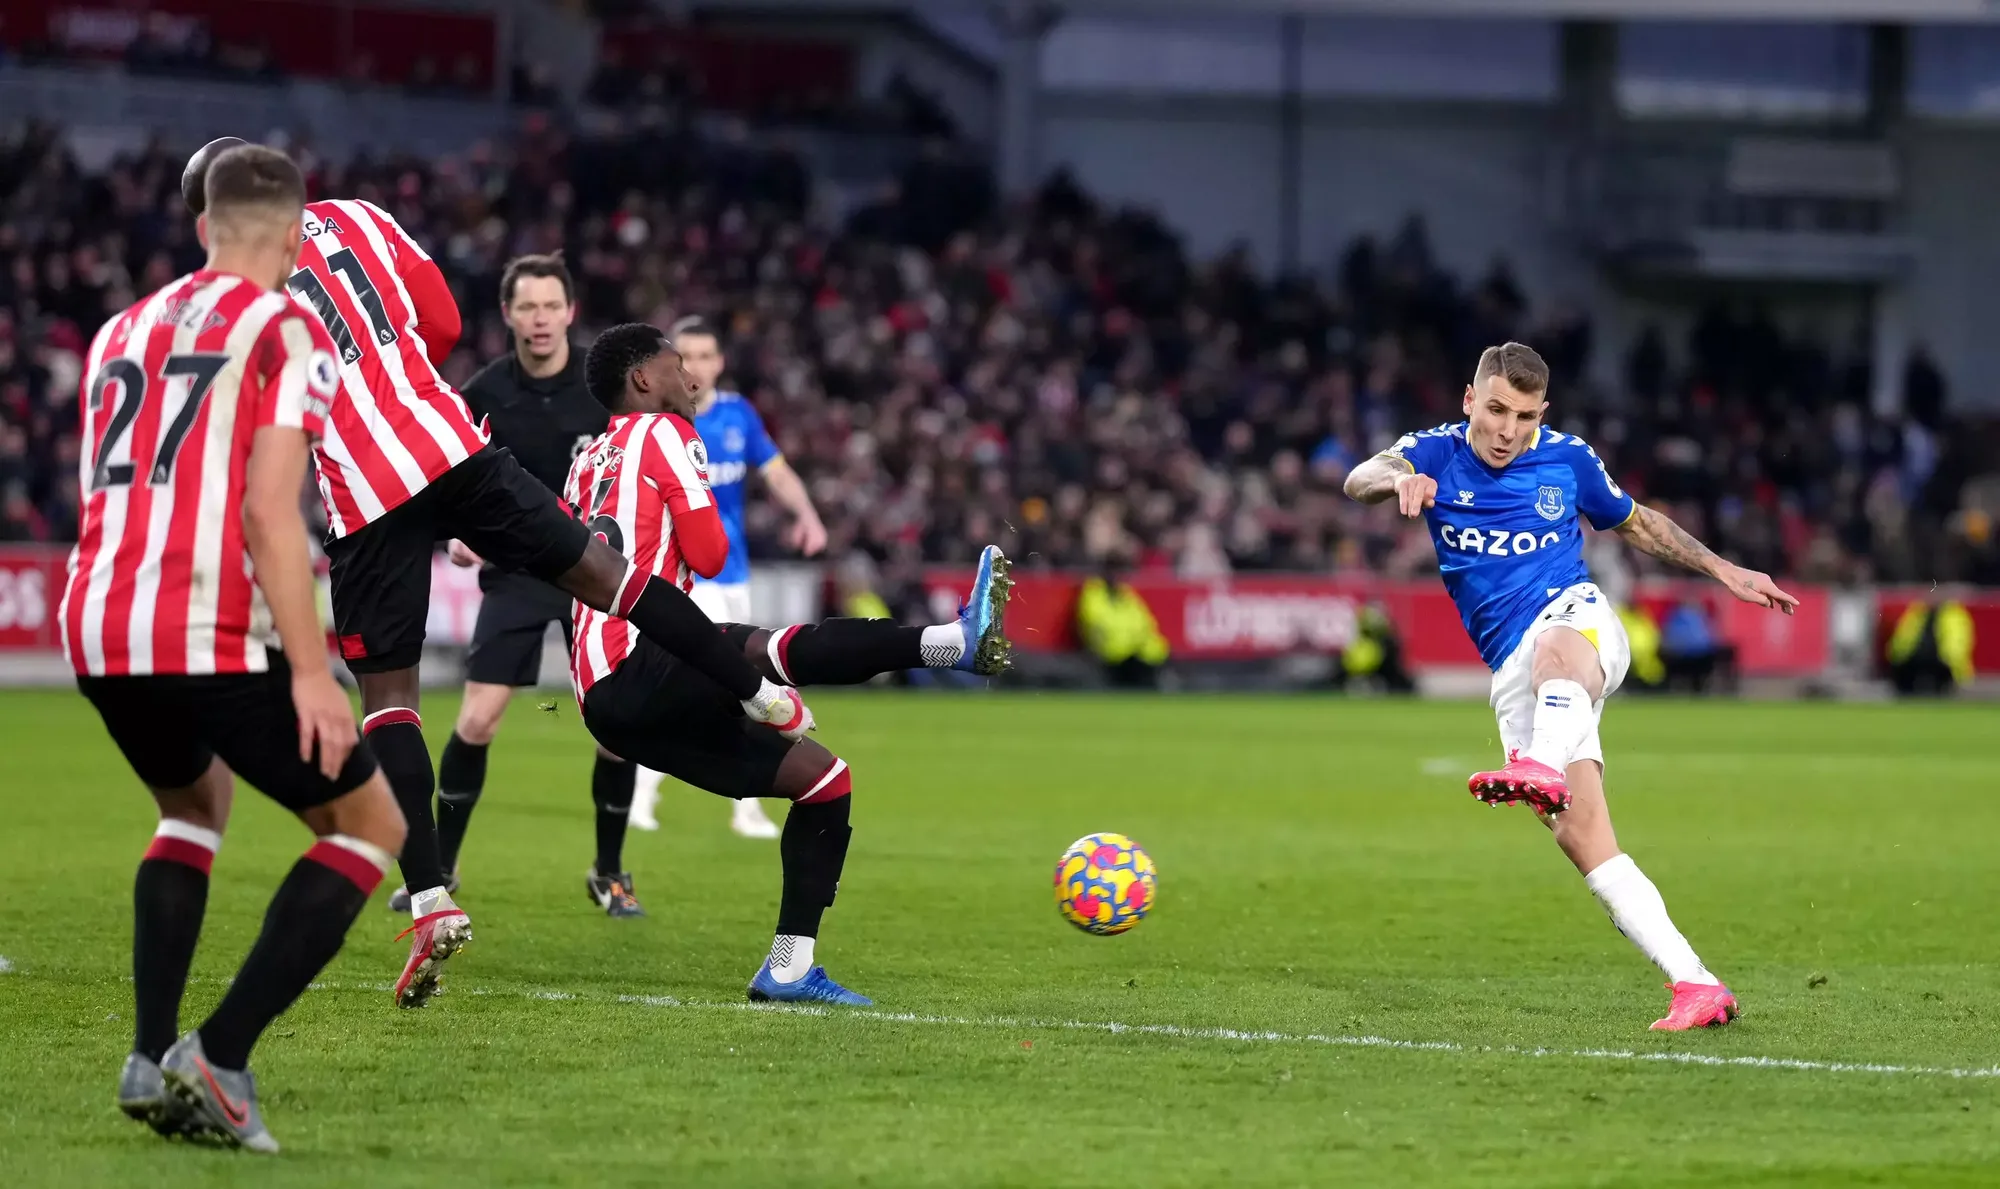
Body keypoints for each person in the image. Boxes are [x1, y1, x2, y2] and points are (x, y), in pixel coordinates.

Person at [180, 138, 814, 1007]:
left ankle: (433, 896)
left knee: (390, 697)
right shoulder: (363, 217)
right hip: (447, 444)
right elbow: (441, 322)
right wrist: (397, 380)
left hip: (364, 493)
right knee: (611, 578)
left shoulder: (221, 297)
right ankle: (753, 690)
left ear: (207, 217)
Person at [63, 144, 407, 1152]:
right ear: (297, 239)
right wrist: (311, 667)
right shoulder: (286, 325)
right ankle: (219, 1056)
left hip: (99, 620)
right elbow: (265, 509)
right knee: (367, 825)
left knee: (193, 803)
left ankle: (148, 1053)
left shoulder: (120, 329)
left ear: (202, 227)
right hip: (202, 622)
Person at [1343, 341, 1798, 1032]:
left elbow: (1639, 522)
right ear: (1470, 400)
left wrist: (1726, 569)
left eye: (1523, 415)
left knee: (1558, 648)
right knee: (1585, 841)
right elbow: (1361, 476)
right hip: (1513, 673)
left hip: (1577, 623)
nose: (1506, 429)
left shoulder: (1568, 458)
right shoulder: (1433, 451)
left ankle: (1535, 764)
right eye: (1494, 409)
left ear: (1541, 412)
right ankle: (1696, 984)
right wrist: (1396, 482)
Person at [566, 323, 1013, 1002]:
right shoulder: (663, 434)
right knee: (758, 653)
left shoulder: (587, 458)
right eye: (676, 365)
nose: (691, 380)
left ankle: (788, 966)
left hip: (606, 697)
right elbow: (711, 556)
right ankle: (952, 643)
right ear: (642, 381)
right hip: (642, 659)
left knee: (824, 778)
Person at [375, 254, 644, 918]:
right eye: (528, 306)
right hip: (520, 573)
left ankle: (609, 873)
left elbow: (636, 466)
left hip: (593, 573)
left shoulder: (602, 387)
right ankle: (440, 867)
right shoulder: (483, 394)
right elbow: (447, 475)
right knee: (476, 719)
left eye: (552, 305)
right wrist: (461, 532)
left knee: (617, 730)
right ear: (509, 315)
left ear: (570, 312)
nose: (541, 318)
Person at [629, 317, 828, 839]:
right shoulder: (660, 418)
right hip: (674, 577)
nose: (694, 364)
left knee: (744, 685)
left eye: (704, 354)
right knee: (686, 685)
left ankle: (747, 807)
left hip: (728, 574)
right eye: (684, 354)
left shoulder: (739, 416)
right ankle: (643, 794)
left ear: (719, 362)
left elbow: (776, 471)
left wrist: (805, 513)